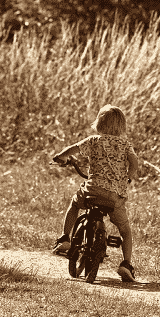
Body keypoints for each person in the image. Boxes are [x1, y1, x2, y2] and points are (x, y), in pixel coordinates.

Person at [51, 104, 140, 282]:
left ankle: (64, 239)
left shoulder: (94, 140)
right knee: (125, 230)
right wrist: (128, 177)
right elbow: (134, 162)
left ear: (98, 123)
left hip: (92, 190)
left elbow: (73, 148)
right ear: (122, 126)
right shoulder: (125, 145)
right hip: (115, 196)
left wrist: (61, 157)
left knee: (75, 204)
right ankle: (126, 264)